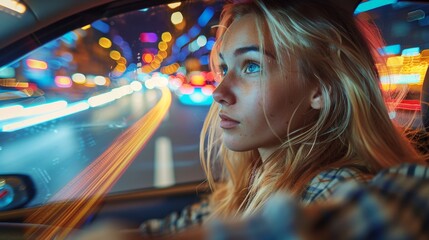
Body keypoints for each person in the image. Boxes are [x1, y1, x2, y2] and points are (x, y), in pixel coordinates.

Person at [75, 0, 429, 239]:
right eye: (225, 68)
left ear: (320, 89)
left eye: (252, 66)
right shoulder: (249, 186)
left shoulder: (335, 185)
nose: (220, 92)